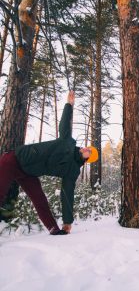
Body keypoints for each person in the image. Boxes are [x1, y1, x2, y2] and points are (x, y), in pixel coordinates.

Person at [0, 91, 98, 235]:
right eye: (87, 147)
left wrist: (67, 221)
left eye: (89, 150)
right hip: (15, 160)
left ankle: (53, 229)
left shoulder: (72, 171)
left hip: (28, 173)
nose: (86, 148)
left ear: (88, 158)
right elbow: (64, 124)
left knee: (40, 200)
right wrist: (69, 105)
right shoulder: (69, 142)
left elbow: (67, 194)